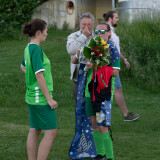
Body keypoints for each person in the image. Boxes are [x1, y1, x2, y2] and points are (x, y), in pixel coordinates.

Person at [72, 23, 120, 160]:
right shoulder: (92, 47)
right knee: (94, 123)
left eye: (103, 31)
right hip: (89, 92)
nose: (99, 34)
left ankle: (110, 157)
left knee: (102, 125)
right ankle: (100, 154)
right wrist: (78, 55)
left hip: (102, 94)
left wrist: (96, 65)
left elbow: (115, 72)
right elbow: (76, 61)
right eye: (97, 31)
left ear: (109, 33)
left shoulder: (112, 49)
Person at [20, 19, 58, 160]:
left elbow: (23, 66)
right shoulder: (36, 49)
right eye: (46, 31)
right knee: (51, 132)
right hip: (40, 98)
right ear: (38, 32)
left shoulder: (28, 47)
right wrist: (49, 98)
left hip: (31, 96)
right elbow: (39, 75)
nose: (47, 34)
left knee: (35, 130)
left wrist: (32, 77)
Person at [103, 11, 140, 121]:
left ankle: (105, 115)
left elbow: (116, 50)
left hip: (113, 65)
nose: (118, 19)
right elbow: (109, 49)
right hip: (111, 66)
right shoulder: (107, 32)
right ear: (110, 18)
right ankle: (125, 115)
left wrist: (124, 59)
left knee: (114, 89)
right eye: (116, 17)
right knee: (116, 89)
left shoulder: (111, 32)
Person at [67, 12, 95, 103]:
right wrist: (83, 36)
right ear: (80, 24)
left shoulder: (97, 36)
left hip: (94, 79)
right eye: (84, 24)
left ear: (93, 25)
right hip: (78, 78)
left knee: (96, 106)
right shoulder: (73, 36)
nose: (86, 27)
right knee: (79, 106)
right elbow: (71, 50)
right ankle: (81, 117)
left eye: (89, 24)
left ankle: (100, 118)